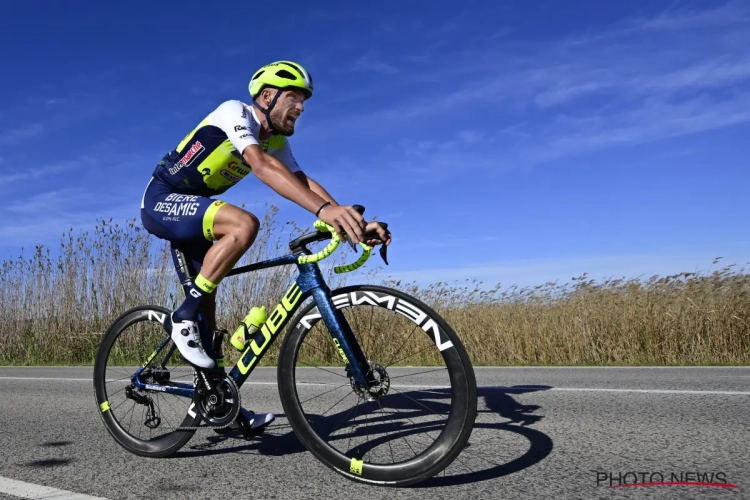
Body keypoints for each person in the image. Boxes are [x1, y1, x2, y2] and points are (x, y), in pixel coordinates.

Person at [139, 60, 391, 431]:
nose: (301, 107)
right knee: (244, 223)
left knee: (210, 330)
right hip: (163, 199)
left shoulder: (277, 141)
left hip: (198, 212)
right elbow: (260, 166)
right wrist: (325, 210)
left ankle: (223, 406)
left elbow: (300, 180)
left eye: (304, 100)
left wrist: (342, 218)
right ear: (267, 96)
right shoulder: (234, 112)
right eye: (294, 97)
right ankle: (181, 318)